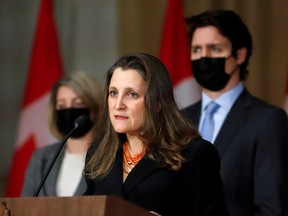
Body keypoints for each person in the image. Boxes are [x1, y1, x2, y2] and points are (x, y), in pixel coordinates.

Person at [83, 53, 228, 215]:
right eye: (113, 93)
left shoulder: (194, 154)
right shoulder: (99, 154)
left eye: (132, 94)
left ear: (158, 103)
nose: (118, 105)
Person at [182, 10, 288, 216]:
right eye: (196, 49)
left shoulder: (268, 121)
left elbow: (272, 209)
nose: (204, 57)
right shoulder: (178, 120)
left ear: (239, 54)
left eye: (214, 48)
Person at [21, 71, 102, 197]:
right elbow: (23, 208)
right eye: (62, 105)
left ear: (95, 110)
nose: (69, 110)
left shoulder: (109, 157)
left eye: (78, 103)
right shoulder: (41, 158)